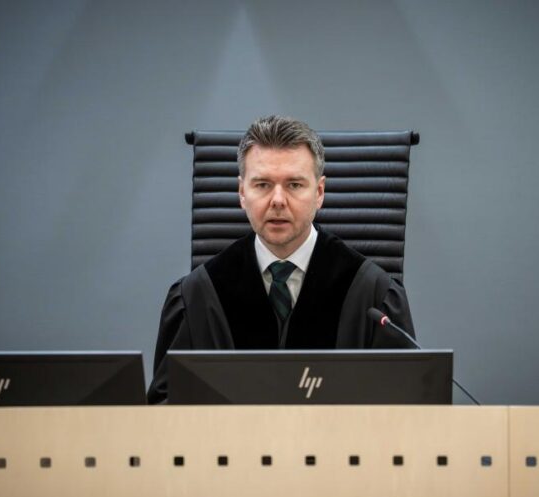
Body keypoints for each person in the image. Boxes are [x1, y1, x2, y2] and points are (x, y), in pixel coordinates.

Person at [147, 115, 416, 403]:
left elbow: (407, 408)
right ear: (242, 193)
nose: (277, 200)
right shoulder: (195, 296)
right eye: (263, 184)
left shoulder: (373, 296)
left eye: (294, 185)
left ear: (319, 193)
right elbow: (165, 413)